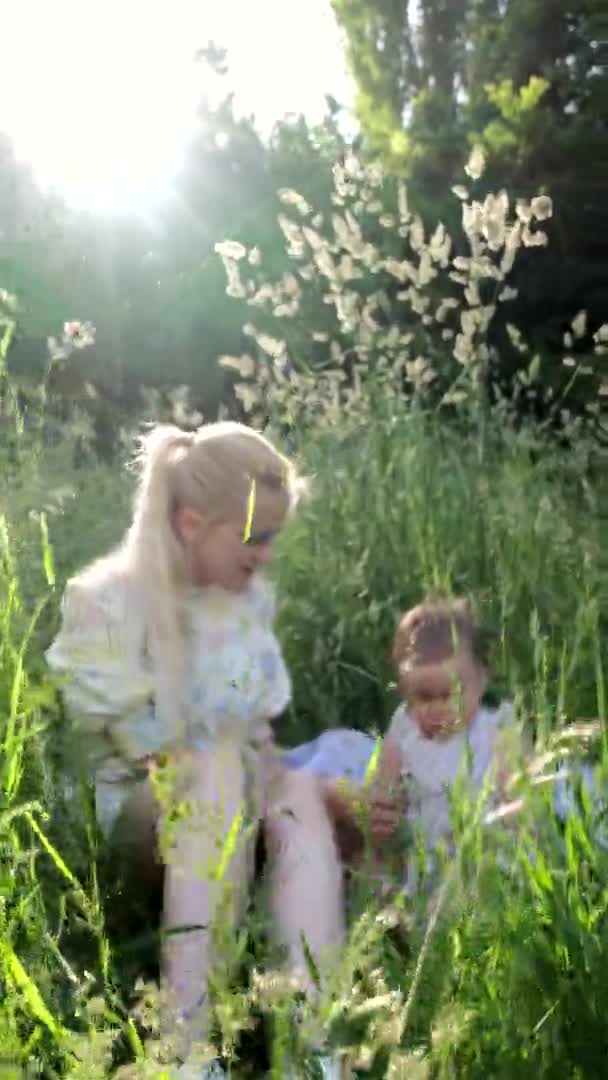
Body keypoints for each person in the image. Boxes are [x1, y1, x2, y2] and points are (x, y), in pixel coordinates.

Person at [46, 422, 345, 1079]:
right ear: (190, 523)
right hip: (135, 818)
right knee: (212, 769)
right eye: (254, 537)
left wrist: (272, 771)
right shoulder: (106, 598)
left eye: (274, 537)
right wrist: (236, 763)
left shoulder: (245, 605)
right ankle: (187, 1047)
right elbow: (142, 751)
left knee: (295, 789)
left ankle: (315, 1042)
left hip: (224, 798)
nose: (266, 554)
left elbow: (259, 731)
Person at [286, 596, 522, 889]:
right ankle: (380, 911)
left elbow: (517, 795)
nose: (438, 708)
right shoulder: (405, 729)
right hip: (423, 845)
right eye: (423, 697)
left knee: (478, 881)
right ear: (404, 690)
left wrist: (508, 823)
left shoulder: (495, 729)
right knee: (373, 870)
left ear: (481, 679)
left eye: (452, 694)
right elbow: (383, 791)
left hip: (480, 843)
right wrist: (382, 814)